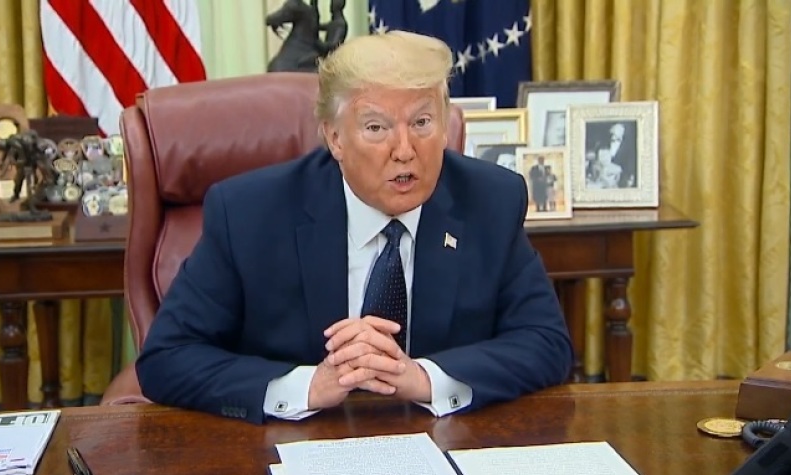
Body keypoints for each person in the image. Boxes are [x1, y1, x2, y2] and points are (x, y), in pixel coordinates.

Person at [135, 30, 573, 425]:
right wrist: (307, 386)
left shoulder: (490, 201)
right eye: (376, 127)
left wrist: (424, 378)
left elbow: (546, 344)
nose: (405, 150)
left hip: (440, 442)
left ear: (444, 126)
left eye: (422, 123)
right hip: (297, 447)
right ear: (335, 138)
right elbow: (167, 358)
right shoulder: (249, 213)